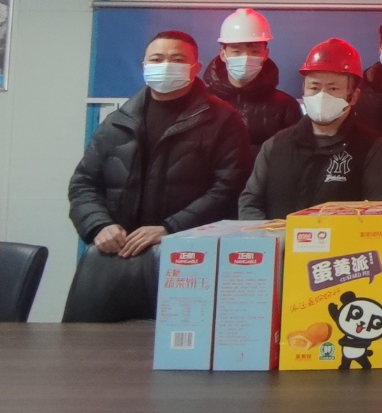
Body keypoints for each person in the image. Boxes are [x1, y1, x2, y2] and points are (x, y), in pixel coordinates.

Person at [67, 31, 250, 321]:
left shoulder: (223, 120)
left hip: (190, 259)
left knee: (179, 338)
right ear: (143, 65)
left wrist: (169, 228)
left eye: (177, 59)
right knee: (96, 343)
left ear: (195, 67)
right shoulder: (118, 121)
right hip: (117, 259)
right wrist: (99, 225)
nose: (165, 65)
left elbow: (229, 188)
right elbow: (83, 183)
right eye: (156, 59)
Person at [239, 38, 382, 219]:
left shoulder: (372, 148)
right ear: (303, 90)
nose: (322, 96)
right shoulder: (275, 146)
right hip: (279, 238)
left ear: (353, 97)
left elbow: (376, 215)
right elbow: (250, 203)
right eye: (314, 87)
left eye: (333, 89)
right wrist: (274, 234)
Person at [202, 8, 302, 156]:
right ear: (223, 54)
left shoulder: (286, 106)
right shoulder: (202, 101)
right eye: (236, 51)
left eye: (254, 51)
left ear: (265, 54)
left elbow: (294, 155)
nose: (246, 58)